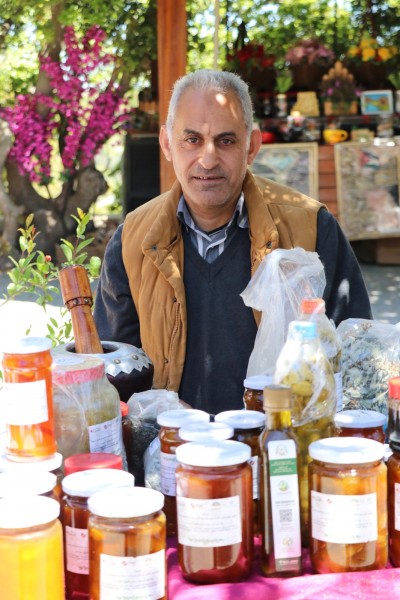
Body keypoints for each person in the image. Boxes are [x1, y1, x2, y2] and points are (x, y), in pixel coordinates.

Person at [94, 69, 372, 414]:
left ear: (251, 146)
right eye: (192, 139)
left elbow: (358, 361)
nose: (208, 159)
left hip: (284, 437)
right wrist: (159, 411)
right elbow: (113, 370)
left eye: (226, 141)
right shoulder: (133, 241)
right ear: (166, 144)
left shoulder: (311, 228)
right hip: (172, 441)